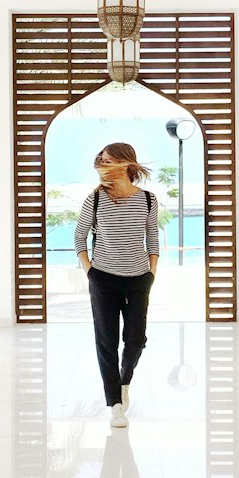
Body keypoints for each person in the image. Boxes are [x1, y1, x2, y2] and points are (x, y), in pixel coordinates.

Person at [74, 143, 159, 428]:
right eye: (102, 159)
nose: (103, 164)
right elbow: (79, 237)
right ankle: (115, 404)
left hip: (139, 280)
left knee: (136, 340)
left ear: (125, 163)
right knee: (106, 342)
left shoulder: (147, 199)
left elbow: (152, 238)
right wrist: (90, 272)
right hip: (103, 280)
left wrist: (152, 272)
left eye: (109, 160)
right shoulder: (95, 200)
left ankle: (124, 381)